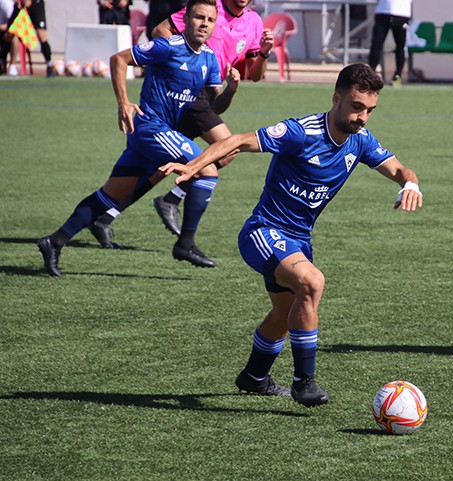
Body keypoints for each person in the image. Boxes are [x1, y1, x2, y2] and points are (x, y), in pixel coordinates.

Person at [158, 63, 423, 406]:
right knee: (312, 283)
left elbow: (400, 168)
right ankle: (304, 382)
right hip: (263, 232)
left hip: (299, 241)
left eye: (370, 110)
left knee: (286, 314)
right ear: (336, 98)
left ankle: (254, 376)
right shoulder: (302, 132)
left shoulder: (360, 142)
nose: (363, 118)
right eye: (357, 107)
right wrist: (194, 165)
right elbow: (238, 140)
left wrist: (410, 184)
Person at [37, 0, 239, 277]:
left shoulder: (209, 58)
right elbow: (118, 59)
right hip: (150, 128)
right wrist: (124, 102)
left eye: (210, 19)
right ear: (186, 20)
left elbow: (216, 107)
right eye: (198, 17)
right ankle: (185, 243)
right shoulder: (167, 46)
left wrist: (231, 89)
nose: (204, 23)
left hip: (159, 134)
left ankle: (54, 241)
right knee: (208, 169)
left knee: (109, 196)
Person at [90, 0, 274, 269]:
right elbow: (159, 31)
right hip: (188, 92)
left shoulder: (254, 22)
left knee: (162, 165)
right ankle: (170, 204)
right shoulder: (209, 8)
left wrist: (265, 54)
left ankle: (108, 215)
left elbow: (255, 75)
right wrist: (179, 67)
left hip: (208, 93)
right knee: (226, 148)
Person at [0, 0, 54, 76]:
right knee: (9, 33)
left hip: (35, 4)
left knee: (41, 35)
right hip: (20, 5)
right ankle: (1, 62)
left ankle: (49, 65)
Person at [368, 0, 412, 85]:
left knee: (400, 46)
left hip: (401, 13)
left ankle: (397, 75)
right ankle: (370, 74)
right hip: (383, 12)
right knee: (376, 44)